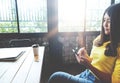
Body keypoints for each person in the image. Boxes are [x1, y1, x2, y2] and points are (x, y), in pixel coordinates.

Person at [47, 3, 120, 83]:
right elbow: (96, 62)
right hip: (87, 74)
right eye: (104, 20)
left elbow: (113, 81)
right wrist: (85, 57)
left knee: (56, 77)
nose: (105, 24)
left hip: (97, 81)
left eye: (109, 21)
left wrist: (88, 65)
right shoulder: (100, 38)